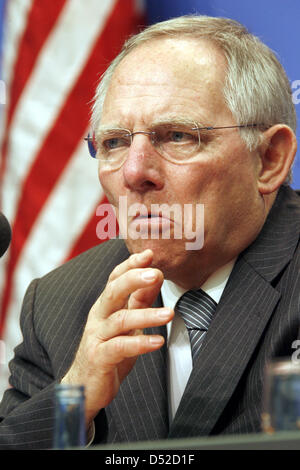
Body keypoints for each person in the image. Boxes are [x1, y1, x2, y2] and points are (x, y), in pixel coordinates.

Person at [0, 15, 299, 449]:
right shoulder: (59, 305)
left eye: (177, 136)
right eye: (115, 143)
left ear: (269, 159)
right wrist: (75, 401)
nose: (135, 173)